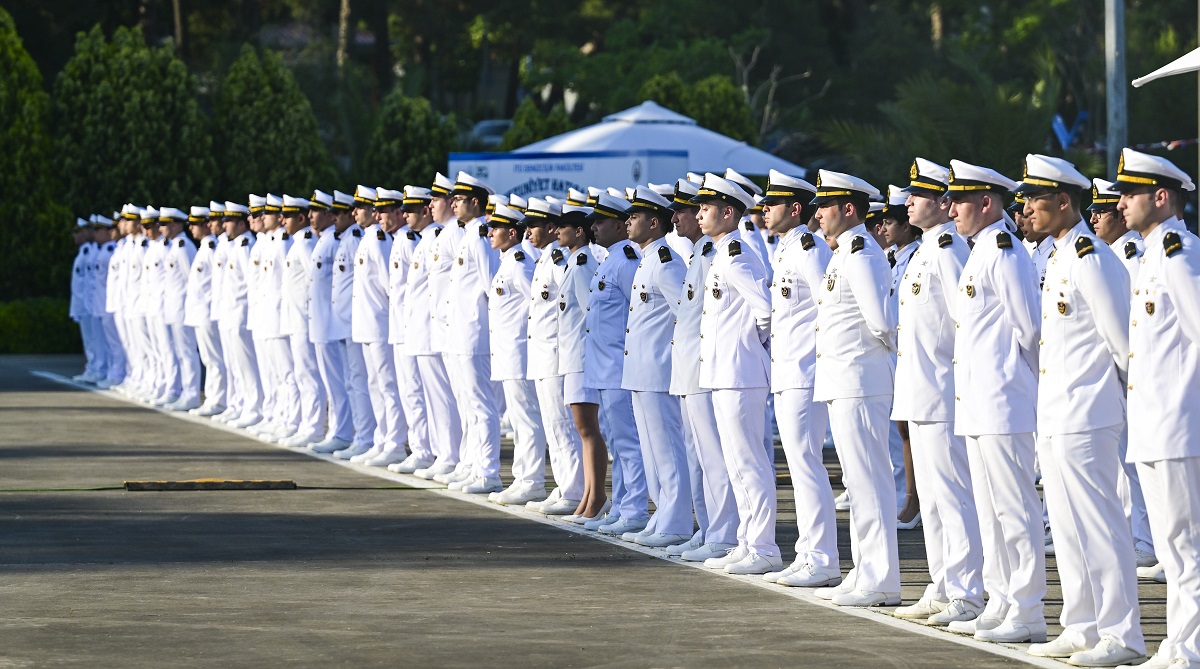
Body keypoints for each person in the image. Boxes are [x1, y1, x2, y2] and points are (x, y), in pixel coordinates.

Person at [1013, 154, 1146, 666]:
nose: (1027, 207)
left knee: (1102, 524)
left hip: (1090, 411)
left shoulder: (1092, 256)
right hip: (1058, 412)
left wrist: (1123, 403)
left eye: (1035, 199)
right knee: (1067, 526)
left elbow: (1122, 342)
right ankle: (1082, 623)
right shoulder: (1060, 256)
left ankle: (1122, 633)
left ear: (1063, 202)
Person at [944, 160, 1046, 643]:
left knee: (1015, 511)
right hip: (980, 402)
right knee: (989, 510)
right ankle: (1001, 599)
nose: (951, 208)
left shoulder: (1004, 252)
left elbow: (1031, 330)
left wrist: (1018, 386)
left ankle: (1027, 610)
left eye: (960, 199)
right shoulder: (980, 251)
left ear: (986, 202)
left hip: (1005, 399)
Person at [889, 158, 985, 626]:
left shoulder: (948, 250)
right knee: (931, 495)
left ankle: (968, 591)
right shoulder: (926, 250)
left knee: (953, 495)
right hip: (918, 390)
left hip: (944, 392)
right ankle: (943, 584)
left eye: (917, 195)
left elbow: (966, 323)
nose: (907, 201)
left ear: (943, 203)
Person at [1115, 147, 1200, 669]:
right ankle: (1178, 643)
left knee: (1185, 545)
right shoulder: (1151, 253)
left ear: (1161, 197)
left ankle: (1188, 648)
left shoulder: (1179, 253)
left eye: (1131, 193)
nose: (1121, 202)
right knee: (1172, 547)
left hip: (1177, 423)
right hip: (1151, 422)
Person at [808, 170, 900, 607]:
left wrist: (874, 359)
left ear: (848, 209)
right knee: (858, 482)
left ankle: (880, 579)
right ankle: (865, 571)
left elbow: (883, 323)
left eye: (825, 205)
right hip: (846, 381)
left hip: (860, 380)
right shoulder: (844, 252)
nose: (818, 213)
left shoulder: (861, 253)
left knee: (870, 482)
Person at [692, 173, 781, 575]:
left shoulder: (738, 256)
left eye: (706, 208)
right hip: (724, 372)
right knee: (736, 462)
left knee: (750, 462)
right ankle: (748, 542)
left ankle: (763, 547)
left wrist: (748, 345)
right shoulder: (722, 254)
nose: (699, 214)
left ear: (729, 212)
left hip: (740, 371)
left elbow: (765, 312)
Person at [1087, 177, 1158, 575]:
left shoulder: (1128, 252)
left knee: (1134, 461)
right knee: (1121, 463)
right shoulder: (1108, 252)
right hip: (1114, 371)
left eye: (1102, 211)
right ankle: (1138, 537)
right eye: (1093, 210)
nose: (1095, 217)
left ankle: (1146, 541)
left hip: (1129, 370)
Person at [667, 177, 739, 561]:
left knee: (713, 455)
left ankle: (724, 532)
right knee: (697, 454)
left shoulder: (718, 253)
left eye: (695, 209)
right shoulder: (699, 253)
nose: (686, 216)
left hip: (705, 366)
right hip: (688, 367)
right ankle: (709, 527)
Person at [621, 186, 692, 547]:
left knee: (667, 450)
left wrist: (676, 360)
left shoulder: (666, 261)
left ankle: (677, 521)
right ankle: (661, 514)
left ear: (653, 222)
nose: (627, 221)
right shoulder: (646, 259)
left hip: (660, 369)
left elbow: (687, 316)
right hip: (641, 371)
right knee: (651, 452)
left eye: (634, 216)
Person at [582, 192, 646, 533]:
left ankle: (634, 509)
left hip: (619, 367)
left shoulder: (626, 262)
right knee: (618, 445)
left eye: (601, 222)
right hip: (604, 368)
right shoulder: (610, 260)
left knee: (628, 443)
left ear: (621, 226)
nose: (594, 227)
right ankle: (621, 507)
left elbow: (635, 316)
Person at [522, 197, 586, 513]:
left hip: (556, 353)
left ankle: (574, 491)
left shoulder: (560, 260)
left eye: (533, 226)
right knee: (552, 426)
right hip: (543, 353)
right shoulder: (545, 257)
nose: (527, 232)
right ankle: (564, 486)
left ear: (550, 227)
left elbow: (573, 306)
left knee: (562, 426)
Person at [442, 173, 503, 493]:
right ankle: (472, 464)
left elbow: (491, 287)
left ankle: (489, 471)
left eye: (459, 199)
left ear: (475, 203)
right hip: (460, 331)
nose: (453, 203)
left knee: (481, 405)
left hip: (474, 333)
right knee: (467, 404)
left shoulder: (480, 236)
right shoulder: (466, 235)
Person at [486, 202, 549, 502]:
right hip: (507, 352)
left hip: (519, 352)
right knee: (519, 418)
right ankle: (522, 477)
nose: (489, 233)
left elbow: (538, 304)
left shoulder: (521, 262)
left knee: (527, 419)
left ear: (512, 233)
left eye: (495, 228)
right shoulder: (508, 260)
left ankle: (532, 480)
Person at [351, 186, 409, 466]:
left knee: (388, 385)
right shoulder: (369, 238)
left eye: (379, 209)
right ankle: (382, 438)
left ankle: (395, 442)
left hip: (380, 324)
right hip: (367, 323)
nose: (372, 214)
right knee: (375, 384)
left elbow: (391, 286)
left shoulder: (379, 240)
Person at [385, 185, 438, 474]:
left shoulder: (417, 240)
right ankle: (421, 447)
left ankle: (424, 449)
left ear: (425, 210)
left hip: (416, 327)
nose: (404, 214)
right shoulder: (413, 240)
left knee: (417, 391)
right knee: (410, 390)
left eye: (410, 209)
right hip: (404, 325)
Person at [879, 185, 922, 526]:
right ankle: (911, 499)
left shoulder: (919, 255)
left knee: (911, 430)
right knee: (904, 430)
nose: (883, 229)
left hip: (913, 353)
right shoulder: (896, 256)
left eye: (890, 223)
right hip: (899, 352)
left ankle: (914, 500)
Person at [307, 190, 357, 454]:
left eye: (319, 211)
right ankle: (337, 430)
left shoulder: (336, 241)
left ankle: (342, 431)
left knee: (339, 383)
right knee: (334, 383)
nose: (311, 216)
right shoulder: (327, 240)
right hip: (324, 322)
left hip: (332, 322)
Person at [277, 194, 327, 448]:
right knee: (301, 374)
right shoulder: (298, 242)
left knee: (309, 376)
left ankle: (314, 426)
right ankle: (305, 424)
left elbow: (315, 282)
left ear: (299, 218)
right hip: (295, 319)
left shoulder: (305, 244)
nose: (281, 220)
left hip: (304, 321)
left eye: (287, 216)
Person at [216, 202, 263, 428]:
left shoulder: (246, 246)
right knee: (235, 365)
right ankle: (240, 404)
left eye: (229, 220)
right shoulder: (236, 245)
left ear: (241, 223)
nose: (224, 224)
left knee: (247, 365)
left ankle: (253, 407)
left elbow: (250, 285)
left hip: (240, 315)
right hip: (230, 314)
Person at [183, 205, 226, 416]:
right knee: (209, 359)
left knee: (215, 359)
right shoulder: (204, 247)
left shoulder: (211, 248)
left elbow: (217, 284)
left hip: (208, 312)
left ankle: (218, 400)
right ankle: (212, 398)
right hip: (200, 312)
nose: (191, 228)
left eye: (195, 224)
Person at [158, 207, 201, 411]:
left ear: (175, 225)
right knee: (178, 352)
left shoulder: (184, 247)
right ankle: (184, 390)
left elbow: (190, 281)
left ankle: (191, 393)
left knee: (187, 352)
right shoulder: (175, 246)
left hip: (182, 309)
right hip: (172, 308)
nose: (161, 227)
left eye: (164, 224)